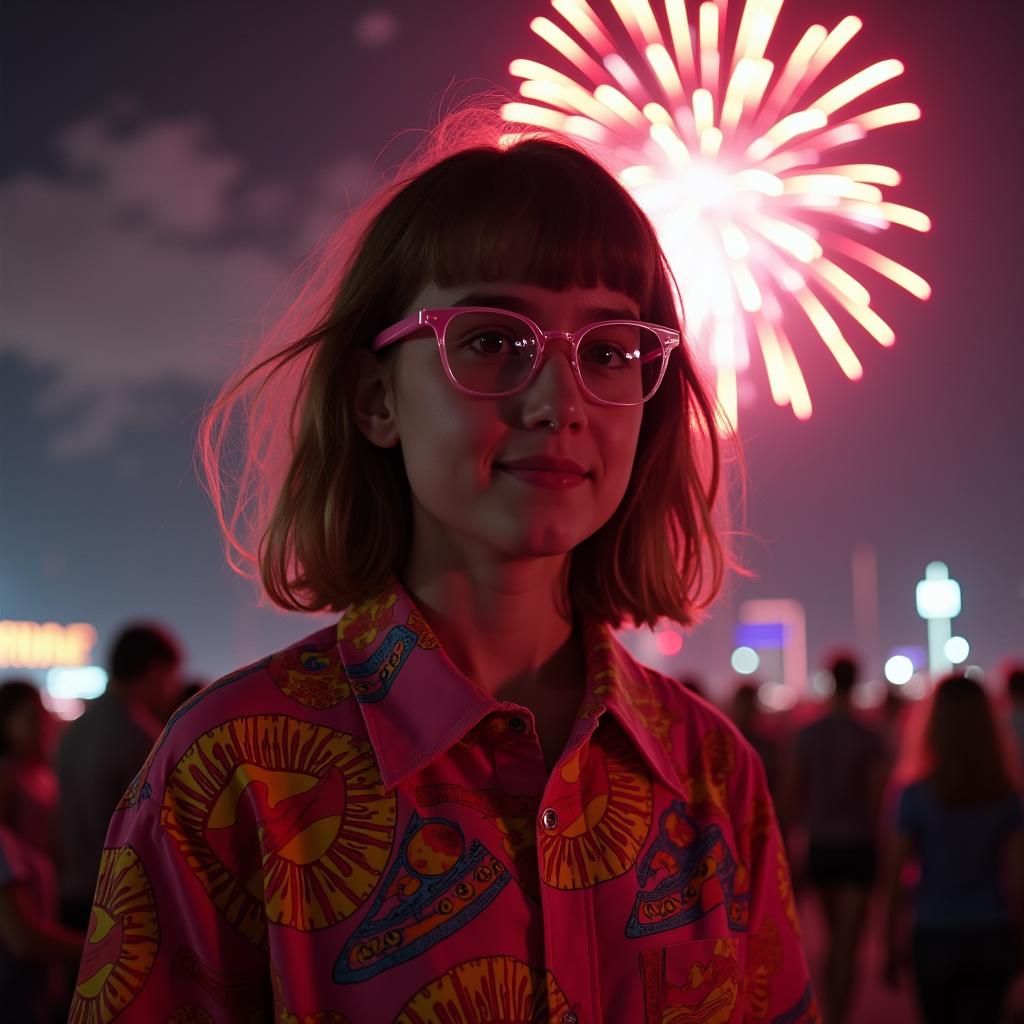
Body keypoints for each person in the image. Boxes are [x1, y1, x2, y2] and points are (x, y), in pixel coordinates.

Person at [70, 107, 816, 1022]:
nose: (560, 402)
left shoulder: (714, 775)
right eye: (493, 341)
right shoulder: (230, 776)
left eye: (610, 351)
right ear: (374, 397)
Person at [882, 674, 1024, 1024]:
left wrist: (889, 939)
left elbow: (895, 875)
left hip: (933, 930)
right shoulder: (1006, 795)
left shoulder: (914, 795)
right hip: (991, 929)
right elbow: (1018, 878)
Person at [56, 623, 182, 931]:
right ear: (154, 670)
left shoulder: (74, 731)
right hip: (120, 898)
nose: (173, 688)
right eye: (171, 676)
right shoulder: (141, 737)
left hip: (71, 890)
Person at [785, 652, 886, 1024]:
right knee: (847, 942)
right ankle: (839, 1014)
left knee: (831, 939)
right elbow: (877, 799)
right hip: (858, 844)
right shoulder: (868, 737)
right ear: (856, 681)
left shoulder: (809, 736)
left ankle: (828, 1011)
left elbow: (793, 795)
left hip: (822, 844)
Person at [0, 680, 58, 860]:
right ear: (6, 722)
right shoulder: (6, 775)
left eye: (42, 716)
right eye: (31, 718)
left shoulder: (43, 771)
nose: (41, 726)